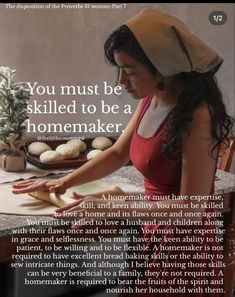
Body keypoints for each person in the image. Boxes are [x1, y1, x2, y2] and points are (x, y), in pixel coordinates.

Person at [13, 8, 233, 297]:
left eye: (129, 72)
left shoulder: (197, 115)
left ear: (163, 67)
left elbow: (191, 209)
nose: (121, 82)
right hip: (153, 229)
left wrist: (113, 206)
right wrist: (62, 182)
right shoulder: (151, 100)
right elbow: (119, 153)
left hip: (183, 247)